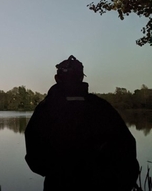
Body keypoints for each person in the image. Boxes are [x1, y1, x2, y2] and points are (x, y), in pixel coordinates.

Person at [25, 55, 139, 191]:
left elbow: (34, 157)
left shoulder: (45, 109)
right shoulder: (102, 107)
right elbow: (127, 151)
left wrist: (56, 170)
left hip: (57, 185)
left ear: (57, 79)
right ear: (81, 78)